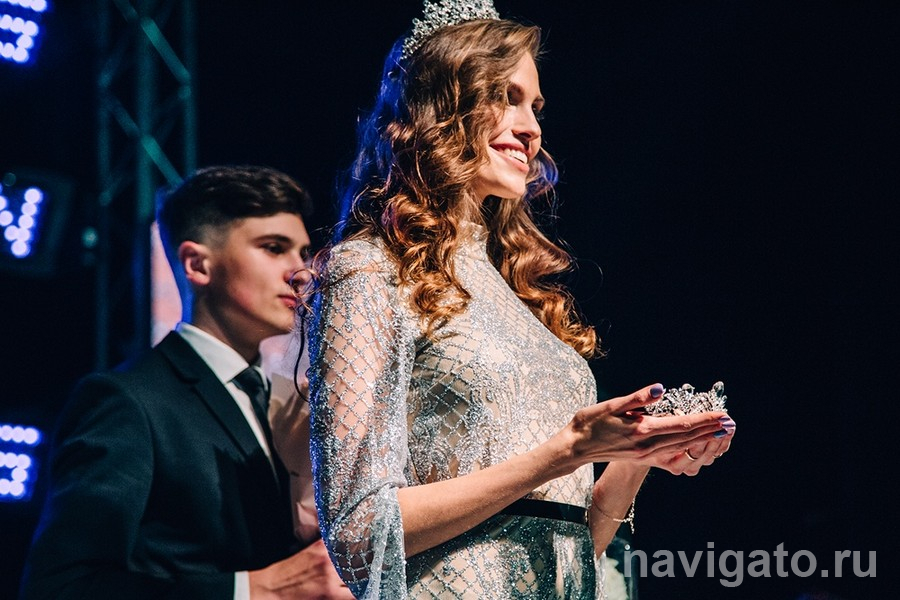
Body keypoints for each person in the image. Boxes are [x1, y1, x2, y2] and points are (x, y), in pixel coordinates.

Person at [304, 2, 737, 599]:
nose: (531, 128)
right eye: (505, 98)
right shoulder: (369, 269)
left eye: (535, 106)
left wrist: (635, 455)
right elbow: (358, 538)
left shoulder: (516, 292)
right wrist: (565, 451)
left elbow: (573, 544)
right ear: (438, 107)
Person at [19, 165, 353, 600]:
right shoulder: (127, 400)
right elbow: (59, 587)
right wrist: (255, 589)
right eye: (273, 248)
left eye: (304, 252)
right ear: (197, 264)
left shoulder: (288, 397)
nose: (302, 272)